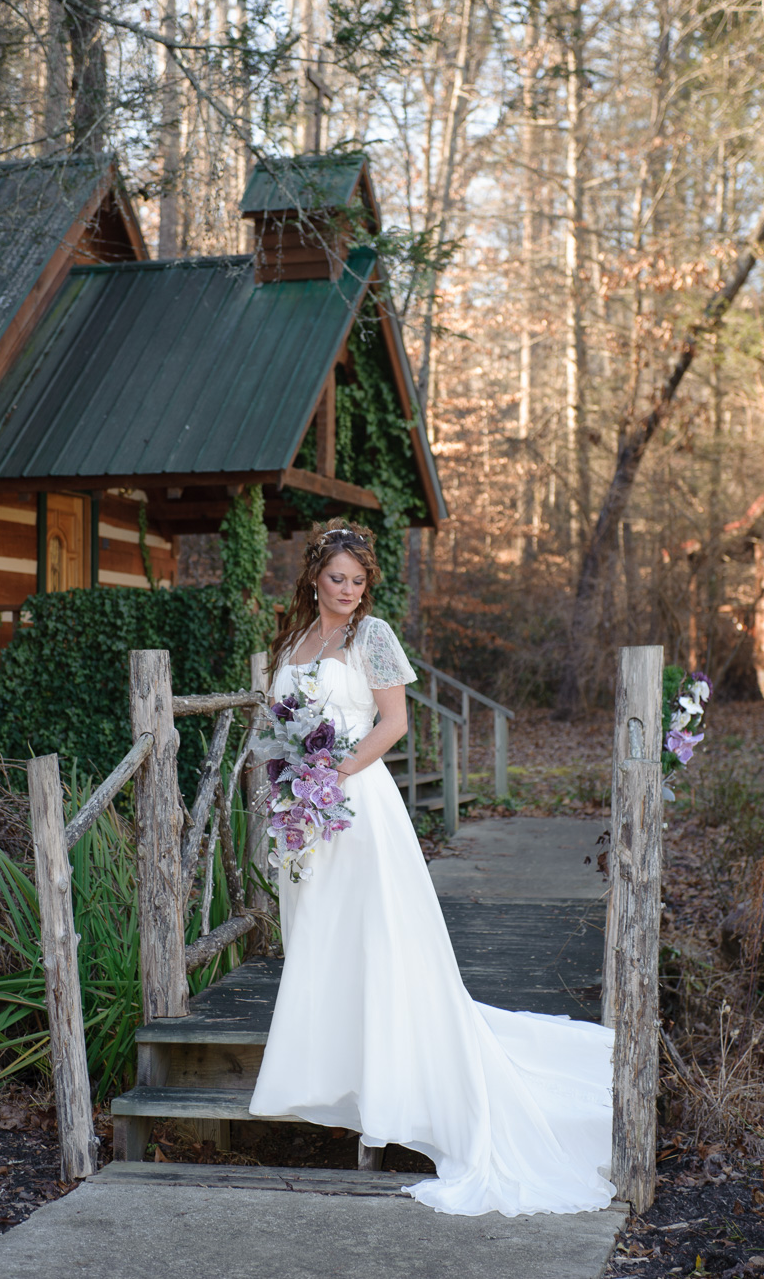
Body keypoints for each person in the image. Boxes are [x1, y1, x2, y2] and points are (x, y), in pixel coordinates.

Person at [248, 518, 615, 1217]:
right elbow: (275, 723)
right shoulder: (291, 642)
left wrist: (333, 772)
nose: (348, 590)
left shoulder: (373, 637)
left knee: (375, 934)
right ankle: (332, 1070)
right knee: (320, 934)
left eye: (357, 580)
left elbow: (393, 724)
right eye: (337, 579)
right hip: (304, 812)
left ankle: (391, 1078)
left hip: (357, 803)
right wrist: (291, 780)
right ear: (314, 578)